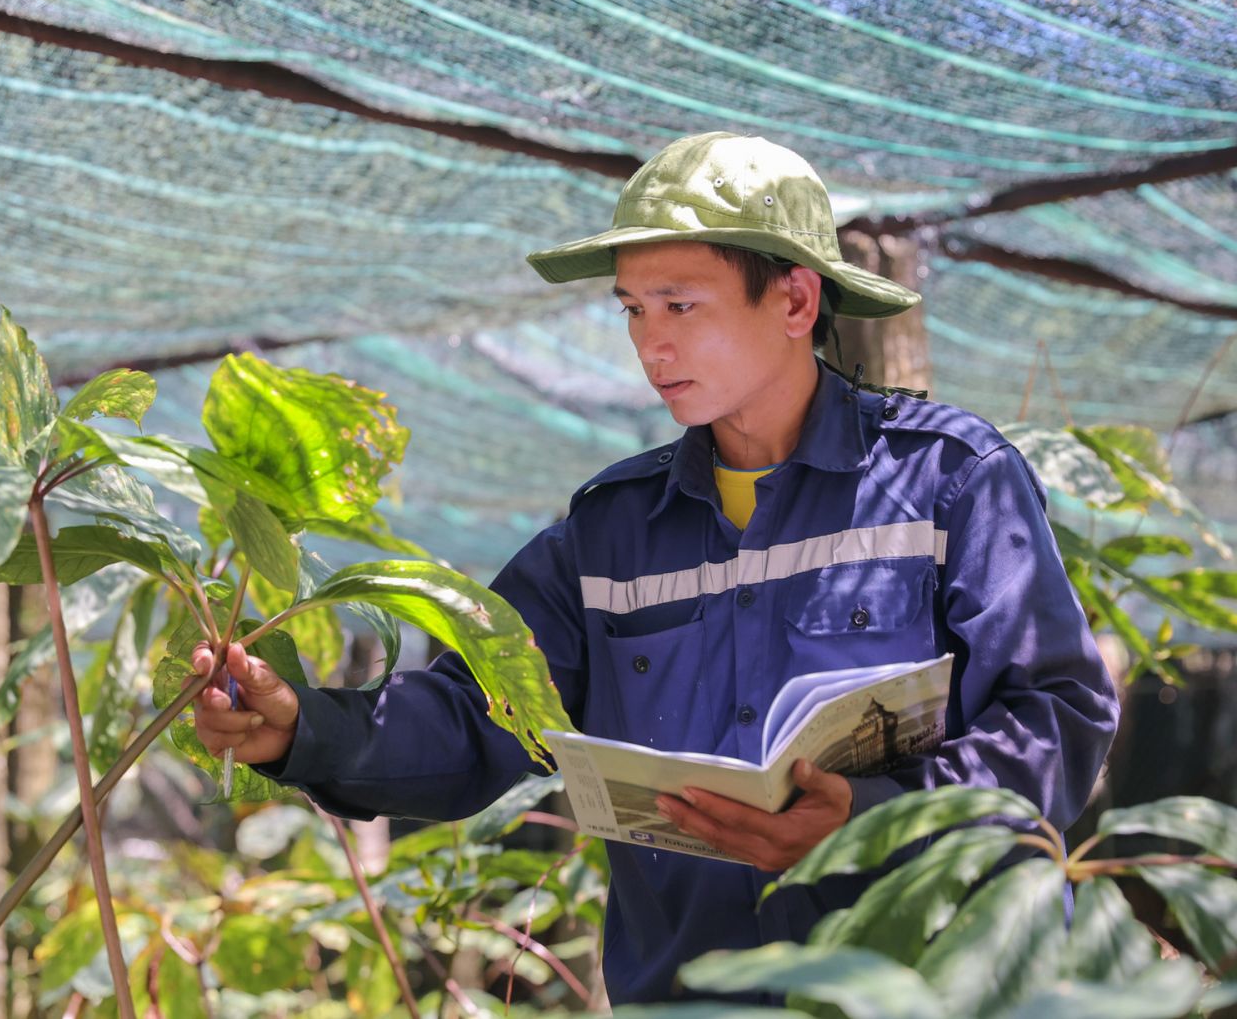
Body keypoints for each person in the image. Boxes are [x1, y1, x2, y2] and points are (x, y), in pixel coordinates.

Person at [190, 131, 1119, 1004]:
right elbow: (481, 718)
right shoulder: (608, 536)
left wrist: (873, 813)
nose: (650, 343)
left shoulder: (947, 483)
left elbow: (1058, 712)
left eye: (681, 304)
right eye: (634, 309)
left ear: (795, 301)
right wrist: (304, 728)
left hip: (920, 994)